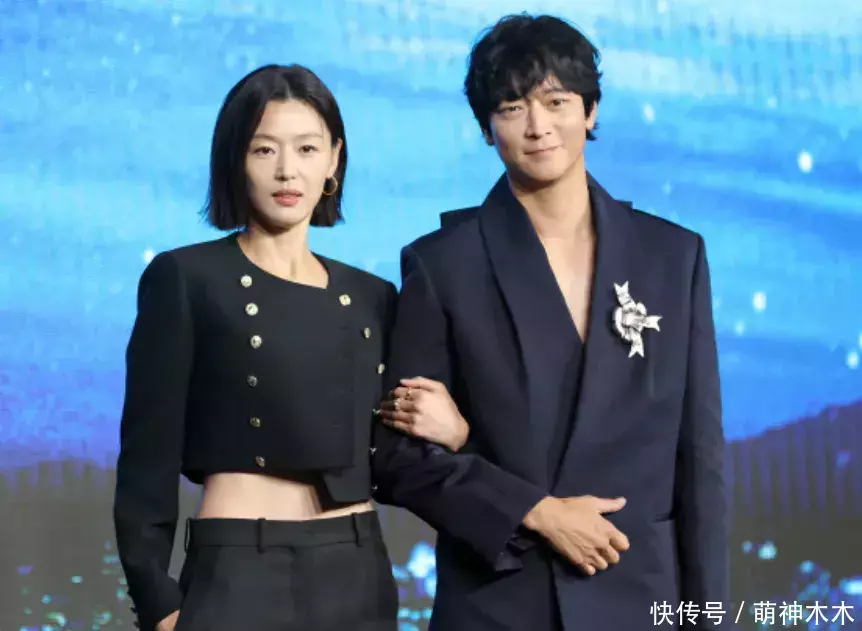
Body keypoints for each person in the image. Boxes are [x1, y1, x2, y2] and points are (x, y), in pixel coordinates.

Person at [372, 14, 728, 631]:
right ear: (487, 127)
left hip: (640, 598)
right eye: (512, 108)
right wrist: (535, 510)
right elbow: (399, 459)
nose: (537, 127)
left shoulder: (672, 256)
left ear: (590, 110)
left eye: (556, 102)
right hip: (501, 602)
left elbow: (700, 462)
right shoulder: (444, 264)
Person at [113, 64, 467, 631]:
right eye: (264, 149)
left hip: (357, 567)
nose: (287, 170)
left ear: (333, 160)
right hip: (239, 566)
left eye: (306, 148)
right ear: (235, 160)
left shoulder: (374, 296)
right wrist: (159, 604)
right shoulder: (187, 277)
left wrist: (455, 431)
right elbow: (146, 460)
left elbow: (394, 451)